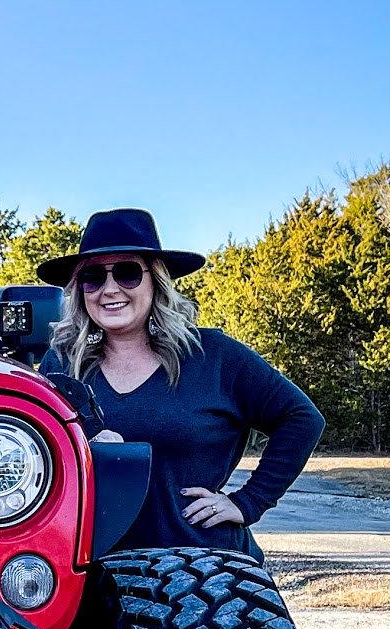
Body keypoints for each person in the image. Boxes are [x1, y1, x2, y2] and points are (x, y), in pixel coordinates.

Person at [35, 208, 324, 558]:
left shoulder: (214, 356)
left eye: (127, 274)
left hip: (203, 572)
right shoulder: (60, 366)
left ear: (156, 281)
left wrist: (248, 502)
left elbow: (301, 418)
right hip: (86, 572)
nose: (109, 289)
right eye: (93, 277)